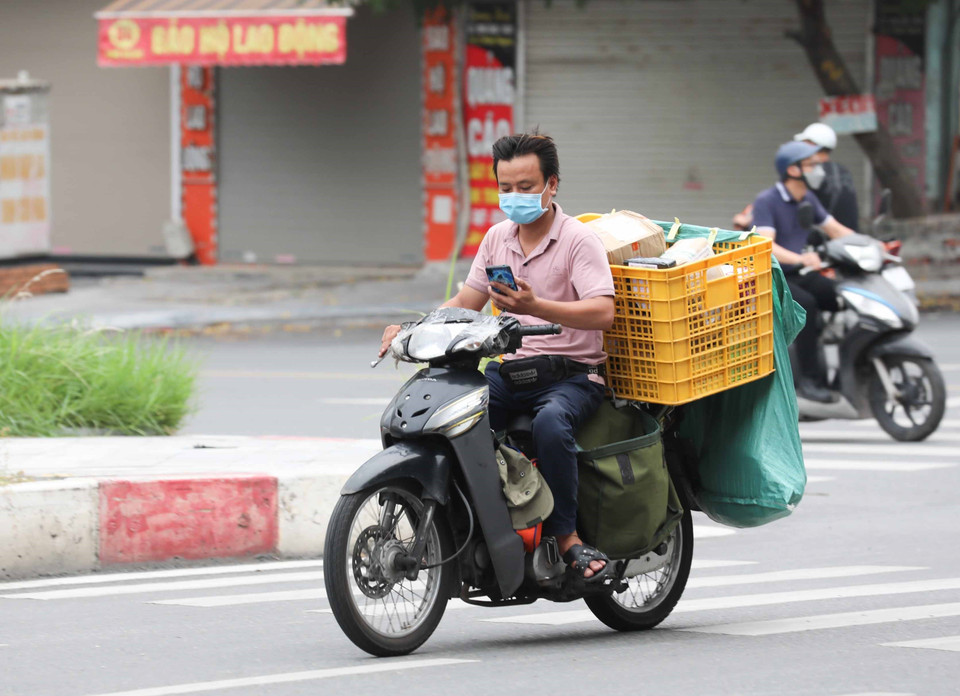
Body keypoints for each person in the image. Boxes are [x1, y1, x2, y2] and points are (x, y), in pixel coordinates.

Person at [379, 132, 616, 582]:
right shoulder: (496, 239)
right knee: (451, 419)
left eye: (526, 187)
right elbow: (467, 301)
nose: (514, 197)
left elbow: (603, 312)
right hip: (509, 372)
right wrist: (411, 329)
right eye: (505, 188)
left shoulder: (577, 241)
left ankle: (567, 537)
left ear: (552, 185)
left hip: (572, 377)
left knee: (550, 424)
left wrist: (537, 308)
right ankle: (483, 526)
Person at [751, 141, 855, 403]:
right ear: (793, 170)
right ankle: (809, 381)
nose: (819, 169)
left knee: (843, 296)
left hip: (800, 271)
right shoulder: (767, 201)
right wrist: (801, 258)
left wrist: (873, 245)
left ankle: (844, 373)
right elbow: (767, 245)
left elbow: (836, 229)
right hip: (775, 276)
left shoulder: (807, 198)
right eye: (812, 164)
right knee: (806, 306)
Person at [794, 123, 860, 232]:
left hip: (823, 239)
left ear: (812, 145)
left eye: (804, 144)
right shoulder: (843, 170)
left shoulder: (813, 172)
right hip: (848, 236)